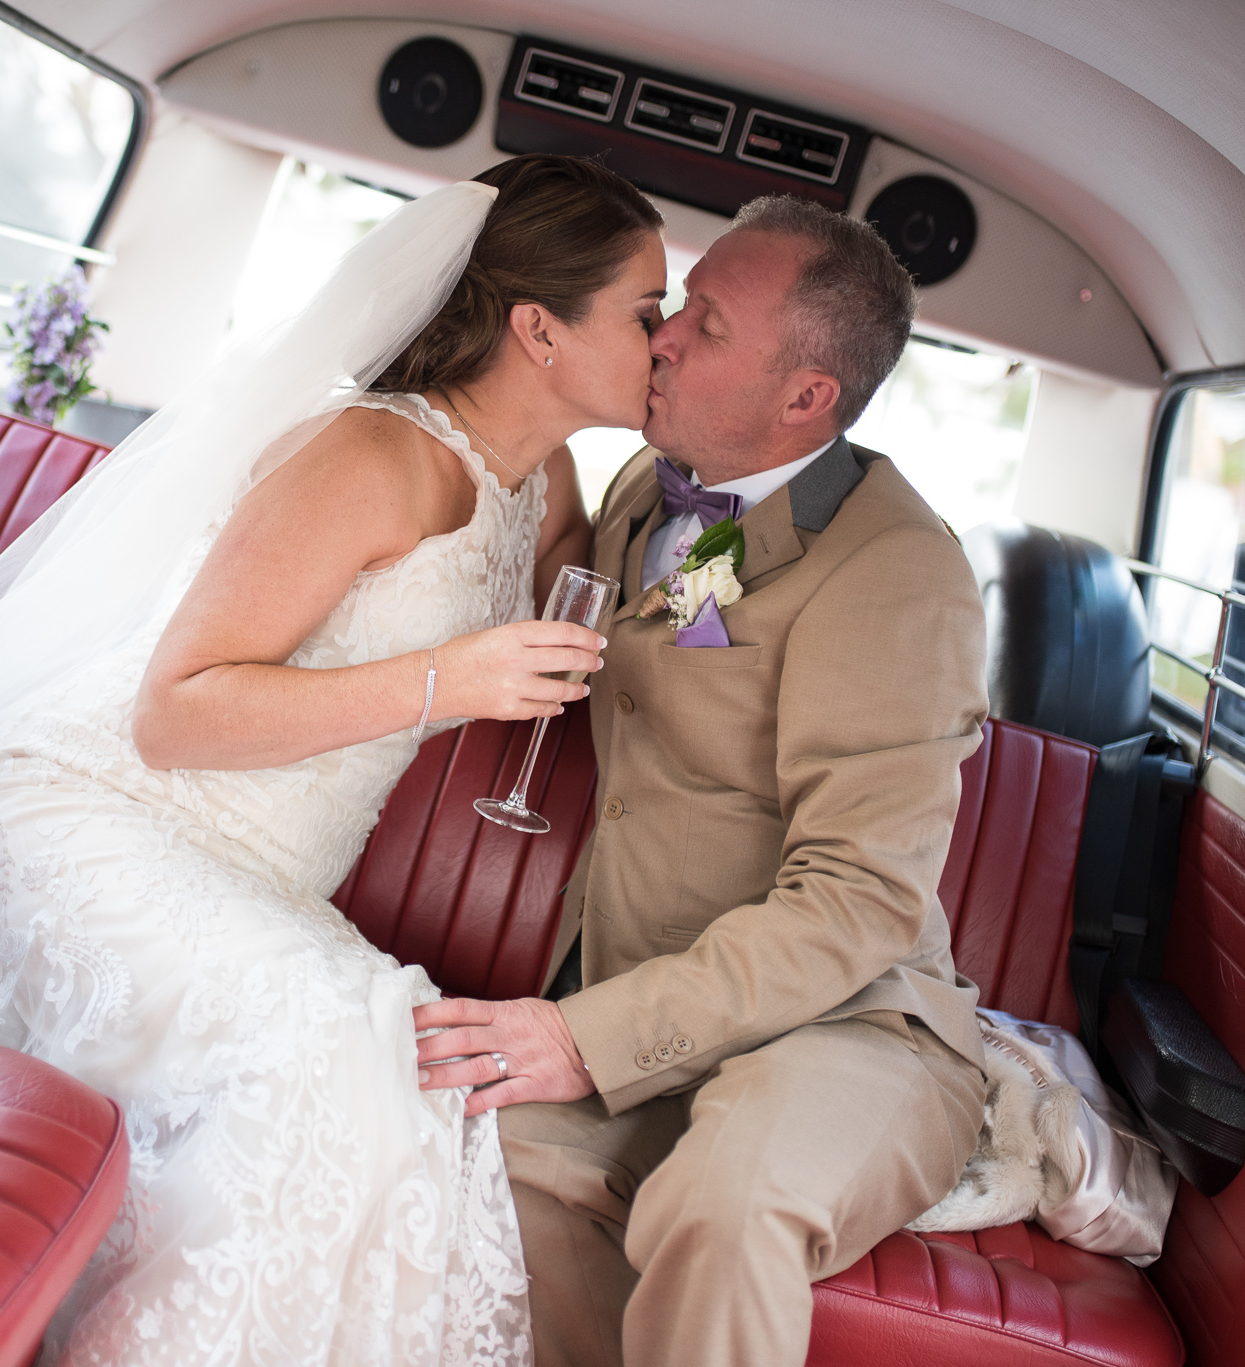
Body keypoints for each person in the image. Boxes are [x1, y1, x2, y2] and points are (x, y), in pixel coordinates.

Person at [0, 154, 667, 1366]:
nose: (669, 337)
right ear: (539, 328)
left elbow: (588, 600)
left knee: (404, 1067)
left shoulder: (540, 479)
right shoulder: (366, 454)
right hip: (97, 807)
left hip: (259, 873)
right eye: (648, 314)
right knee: (338, 1057)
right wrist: (452, 680)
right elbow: (175, 712)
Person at [414, 195, 990, 1367]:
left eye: (705, 325)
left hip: (847, 1025)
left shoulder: (897, 574)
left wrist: (581, 1038)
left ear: (804, 397)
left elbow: (857, 903)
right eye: (673, 307)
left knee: (719, 1203)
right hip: (660, 1009)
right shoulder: (662, 482)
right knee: (464, 1155)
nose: (662, 335)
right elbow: (659, 639)